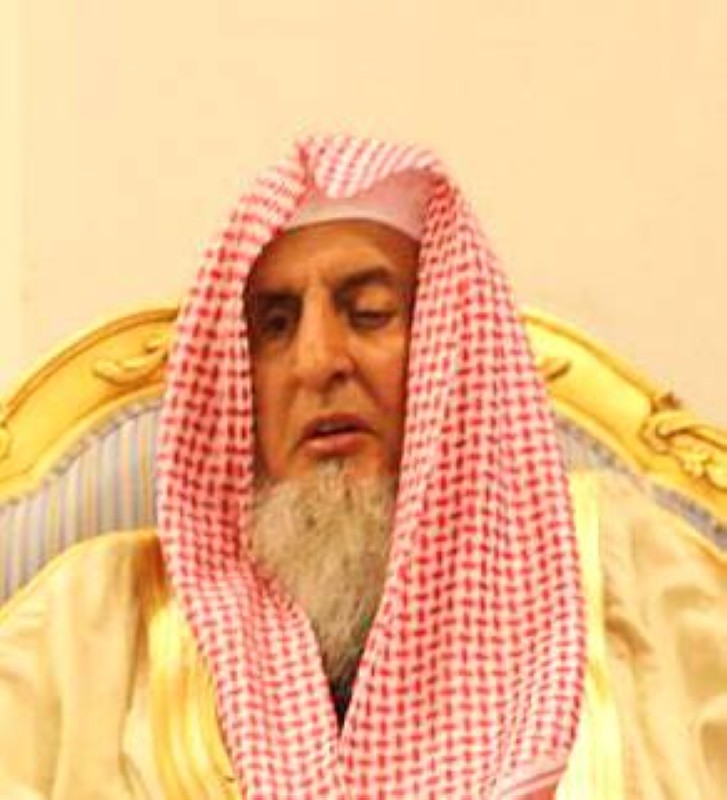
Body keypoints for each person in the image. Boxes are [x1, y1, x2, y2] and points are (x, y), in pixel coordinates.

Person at [0, 135, 724, 799]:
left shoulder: (635, 577)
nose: (317, 361)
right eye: (275, 326)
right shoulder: (87, 624)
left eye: (369, 312)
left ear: (451, 345)